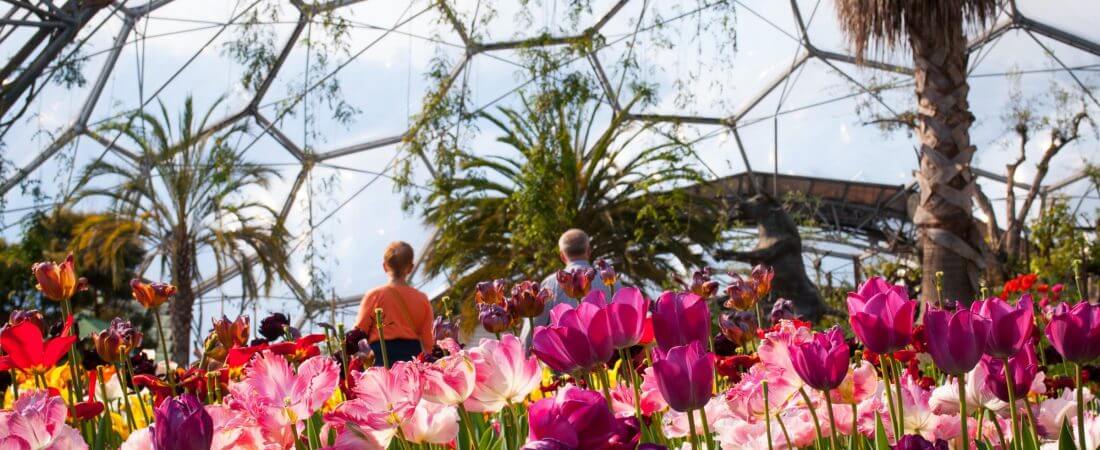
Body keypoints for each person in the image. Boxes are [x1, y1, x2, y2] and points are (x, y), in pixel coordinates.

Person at [526, 229, 622, 339]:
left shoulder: (550, 284)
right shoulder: (612, 280)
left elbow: (534, 327)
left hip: (563, 351)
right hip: (610, 352)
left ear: (562, 256)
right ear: (589, 251)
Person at [355, 241, 434, 365]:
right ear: (410, 268)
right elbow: (429, 342)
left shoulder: (374, 295)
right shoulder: (421, 299)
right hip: (412, 356)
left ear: (385, 266)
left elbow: (358, 334)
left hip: (381, 357)